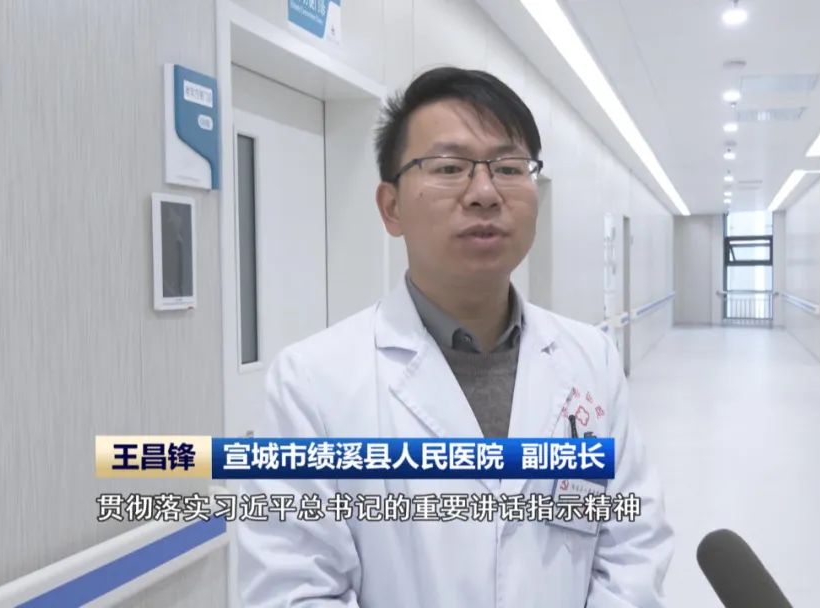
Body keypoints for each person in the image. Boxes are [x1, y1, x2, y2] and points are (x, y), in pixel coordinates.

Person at [237, 66, 673, 607]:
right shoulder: (312, 383)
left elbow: (632, 545)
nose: (485, 193)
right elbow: (293, 589)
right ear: (391, 207)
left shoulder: (591, 360)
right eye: (449, 167)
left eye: (509, 168)